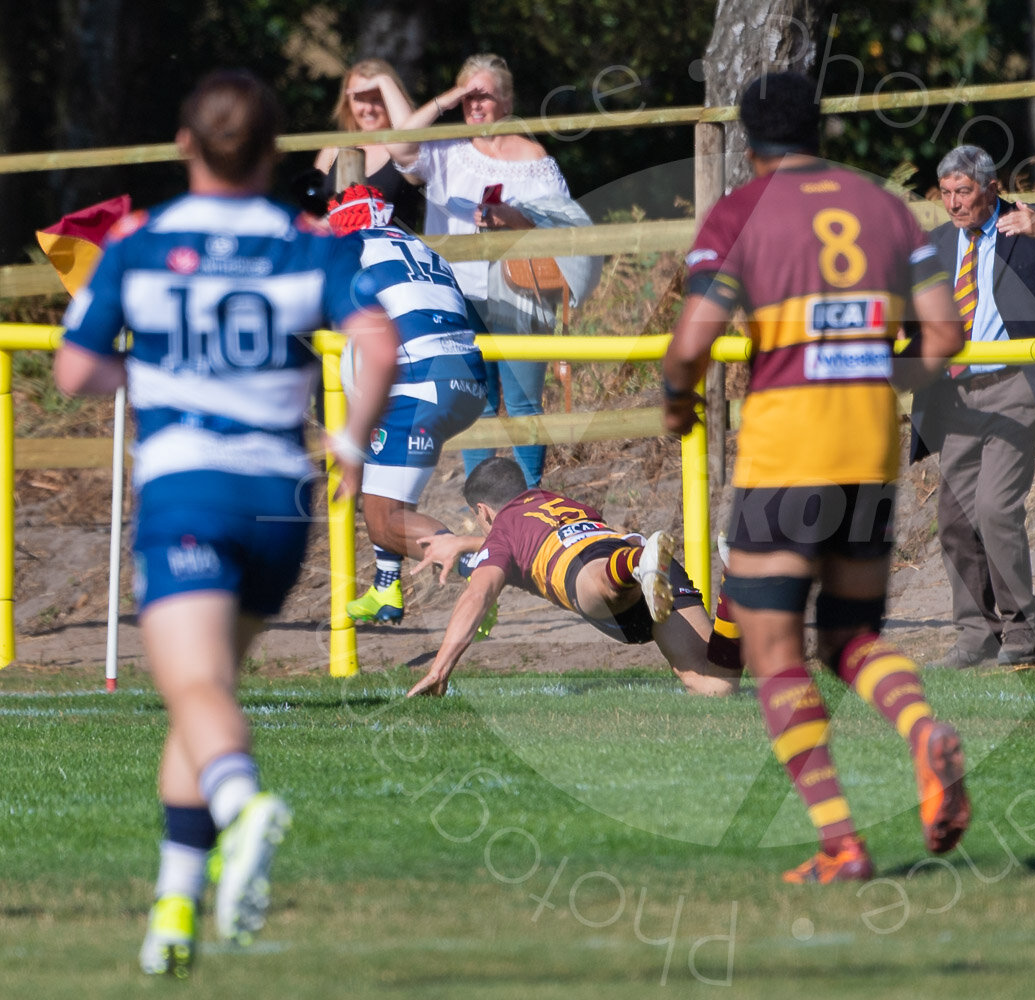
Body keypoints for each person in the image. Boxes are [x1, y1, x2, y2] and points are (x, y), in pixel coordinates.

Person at [54, 70, 399, 977]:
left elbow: (75, 371)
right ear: (276, 149)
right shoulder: (303, 239)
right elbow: (378, 338)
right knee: (202, 696)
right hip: (282, 501)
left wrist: (160, 383)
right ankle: (172, 911)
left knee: (195, 687)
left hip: (190, 491)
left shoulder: (142, 239)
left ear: (184, 145)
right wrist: (354, 440)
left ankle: (245, 807)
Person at [661, 72, 969, 884]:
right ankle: (923, 731)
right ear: (820, 129)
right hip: (869, 448)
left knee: (772, 649)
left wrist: (675, 401)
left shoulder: (743, 210)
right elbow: (945, 333)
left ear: (748, 142)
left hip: (784, 453)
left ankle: (841, 839)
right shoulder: (886, 208)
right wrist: (880, 377)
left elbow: (693, 339)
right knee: (853, 638)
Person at [912, 144, 1035, 670]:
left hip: (1018, 387)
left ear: (992, 189)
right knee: (954, 520)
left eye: (965, 192)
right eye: (947, 193)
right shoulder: (935, 244)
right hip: (955, 395)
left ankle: (1024, 632)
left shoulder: (1030, 223)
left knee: (995, 508)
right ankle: (976, 635)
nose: (954, 204)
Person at [388, 53, 598, 489]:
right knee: (474, 404)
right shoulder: (446, 153)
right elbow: (400, 145)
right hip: (458, 292)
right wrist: (445, 100)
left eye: (483, 95)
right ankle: (482, 507)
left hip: (519, 291)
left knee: (523, 403)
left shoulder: (533, 157)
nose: (475, 104)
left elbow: (565, 228)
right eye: (468, 96)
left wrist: (516, 220)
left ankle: (532, 502)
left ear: (505, 100)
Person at [404, 457, 741, 698]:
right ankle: (737, 587)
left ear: (483, 511)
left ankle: (638, 562)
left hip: (600, 572)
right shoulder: (554, 501)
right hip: (630, 559)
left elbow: (477, 595)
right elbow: (524, 546)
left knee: (599, 591)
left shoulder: (503, 530)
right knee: (716, 686)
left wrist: (439, 667)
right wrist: (462, 542)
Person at [324, 184, 489, 625]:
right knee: (387, 494)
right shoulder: (420, 246)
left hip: (420, 384)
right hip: (467, 378)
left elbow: (363, 350)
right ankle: (385, 586)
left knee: (385, 520)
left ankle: (484, 573)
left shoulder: (349, 249)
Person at [310, 59, 424, 231]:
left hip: (391, 254)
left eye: (376, 98)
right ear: (347, 102)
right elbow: (312, 211)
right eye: (359, 99)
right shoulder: (332, 150)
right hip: (339, 253)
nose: (368, 108)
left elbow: (408, 135)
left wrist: (384, 81)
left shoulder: (407, 149)